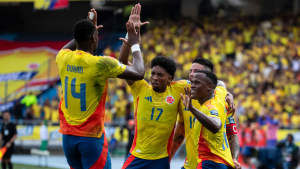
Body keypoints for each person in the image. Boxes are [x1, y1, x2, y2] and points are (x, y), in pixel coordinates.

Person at [55, 8, 145, 169]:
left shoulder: (62, 57)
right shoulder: (101, 64)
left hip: (68, 138)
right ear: (93, 38)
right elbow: (139, 72)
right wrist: (135, 44)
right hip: (90, 138)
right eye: (95, 35)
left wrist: (88, 28)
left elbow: (73, 43)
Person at [170, 58, 241, 169]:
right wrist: (169, 157)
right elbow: (180, 130)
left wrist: (234, 159)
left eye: (197, 72)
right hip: (191, 164)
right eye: (190, 71)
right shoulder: (185, 93)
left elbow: (231, 133)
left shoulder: (220, 100)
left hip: (210, 163)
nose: (192, 75)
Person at [181, 70, 235, 169]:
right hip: (220, 162)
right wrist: (229, 94)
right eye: (192, 82)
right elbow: (221, 83)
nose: (192, 86)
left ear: (209, 87)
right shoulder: (218, 96)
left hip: (209, 162)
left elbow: (216, 125)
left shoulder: (210, 107)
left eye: (197, 83)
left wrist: (192, 108)